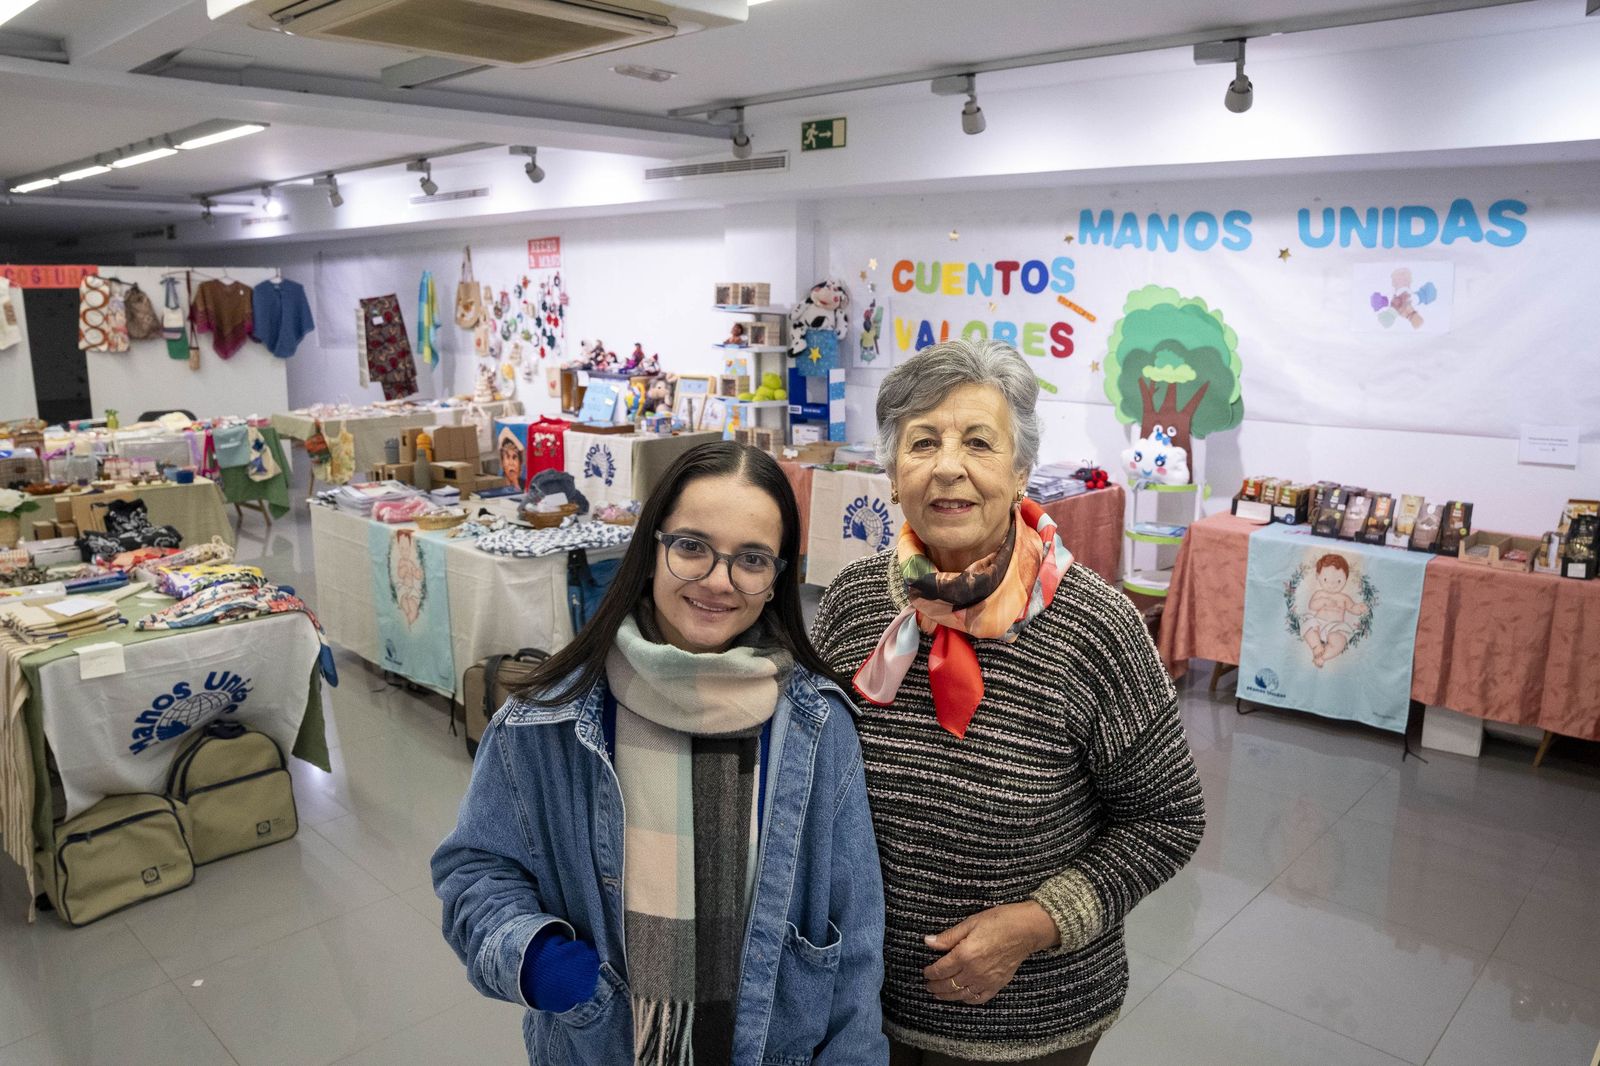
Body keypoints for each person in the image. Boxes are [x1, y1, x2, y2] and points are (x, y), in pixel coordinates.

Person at [812, 340, 1206, 1066]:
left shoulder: (1095, 627)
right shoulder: (855, 604)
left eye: (979, 443)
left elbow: (1168, 819)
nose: (948, 466)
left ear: (1021, 471)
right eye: (922, 442)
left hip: (1028, 1018)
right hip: (860, 1007)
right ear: (894, 473)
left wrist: (1036, 922)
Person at [434, 441, 888, 1066]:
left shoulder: (816, 726)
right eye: (692, 546)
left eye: (751, 559)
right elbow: (474, 871)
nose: (718, 581)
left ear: (777, 576)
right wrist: (535, 957)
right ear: (651, 549)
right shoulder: (546, 721)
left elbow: (855, 933)